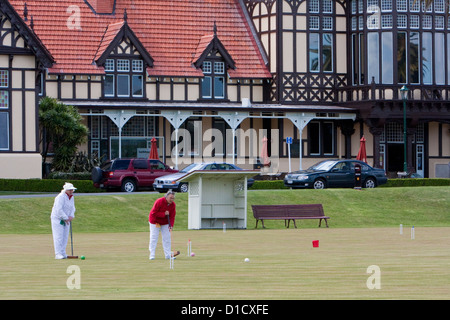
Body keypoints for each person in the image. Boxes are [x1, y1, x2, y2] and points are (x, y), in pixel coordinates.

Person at [148, 190, 179, 260]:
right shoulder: (159, 201)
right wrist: (163, 214)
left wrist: (171, 225)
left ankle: (168, 255)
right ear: (166, 196)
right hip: (155, 221)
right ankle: (152, 254)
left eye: (173, 198)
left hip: (165, 222)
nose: (172, 200)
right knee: (154, 237)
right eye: (171, 198)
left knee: (167, 238)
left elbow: (172, 216)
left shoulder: (173, 205)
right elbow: (154, 213)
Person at [50, 182, 76, 259]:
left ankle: (63, 252)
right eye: (69, 190)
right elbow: (59, 209)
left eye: (72, 190)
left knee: (65, 236)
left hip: (67, 219)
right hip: (57, 219)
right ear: (66, 190)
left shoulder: (72, 197)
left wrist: (71, 216)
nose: (71, 191)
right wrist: (65, 217)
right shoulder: (60, 197)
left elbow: (72, 208)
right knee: (58, 236)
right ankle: (58, 254)